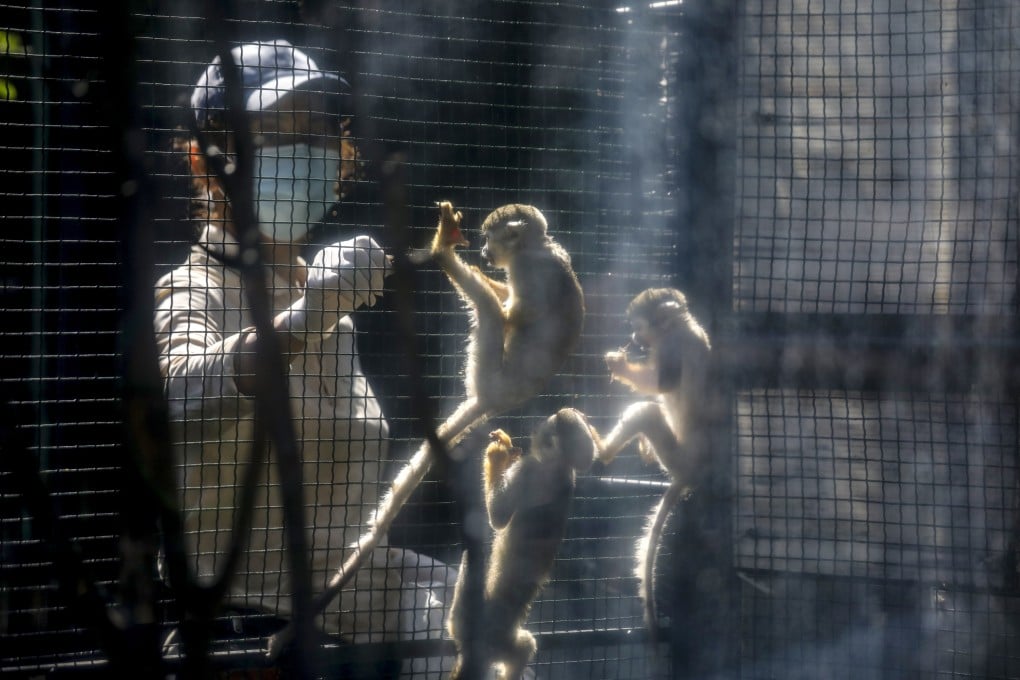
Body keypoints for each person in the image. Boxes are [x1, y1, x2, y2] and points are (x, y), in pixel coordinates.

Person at [154, 40, 454, 675]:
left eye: (315, 125)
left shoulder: (328, 300)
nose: (304, 147)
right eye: (271, 129)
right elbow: (180, 397)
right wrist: (306, 317)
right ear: (209, 156)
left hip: (344, 633)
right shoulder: (194, 288)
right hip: (238, 642)